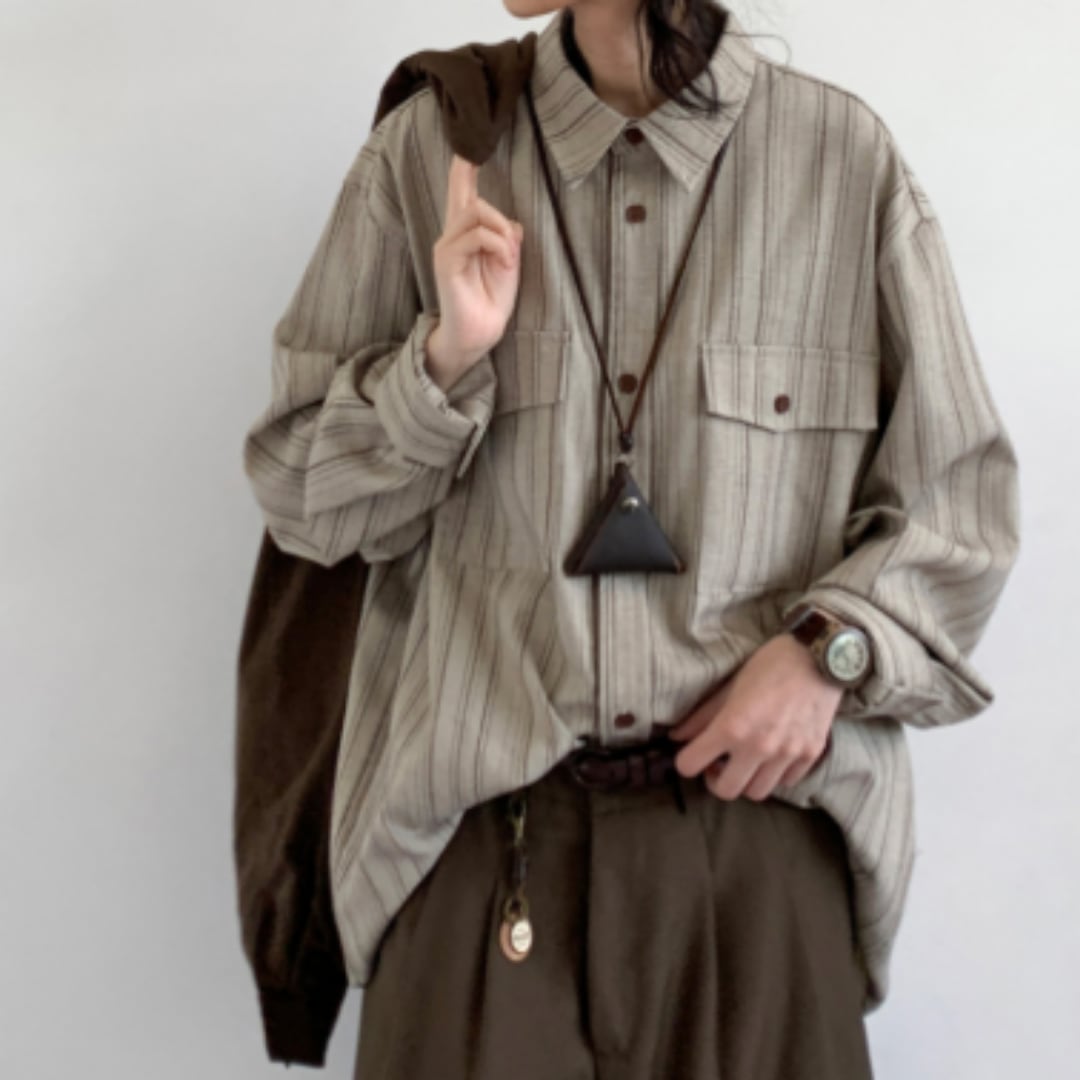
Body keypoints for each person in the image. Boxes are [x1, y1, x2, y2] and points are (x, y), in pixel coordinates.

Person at [240, 1, 1020, 1076]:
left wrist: (828, 651)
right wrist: (441, 365)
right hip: (479, 854)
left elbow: (962, 509)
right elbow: (303, 503)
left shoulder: (843, 163)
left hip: (759, 855)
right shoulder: (434, 156)